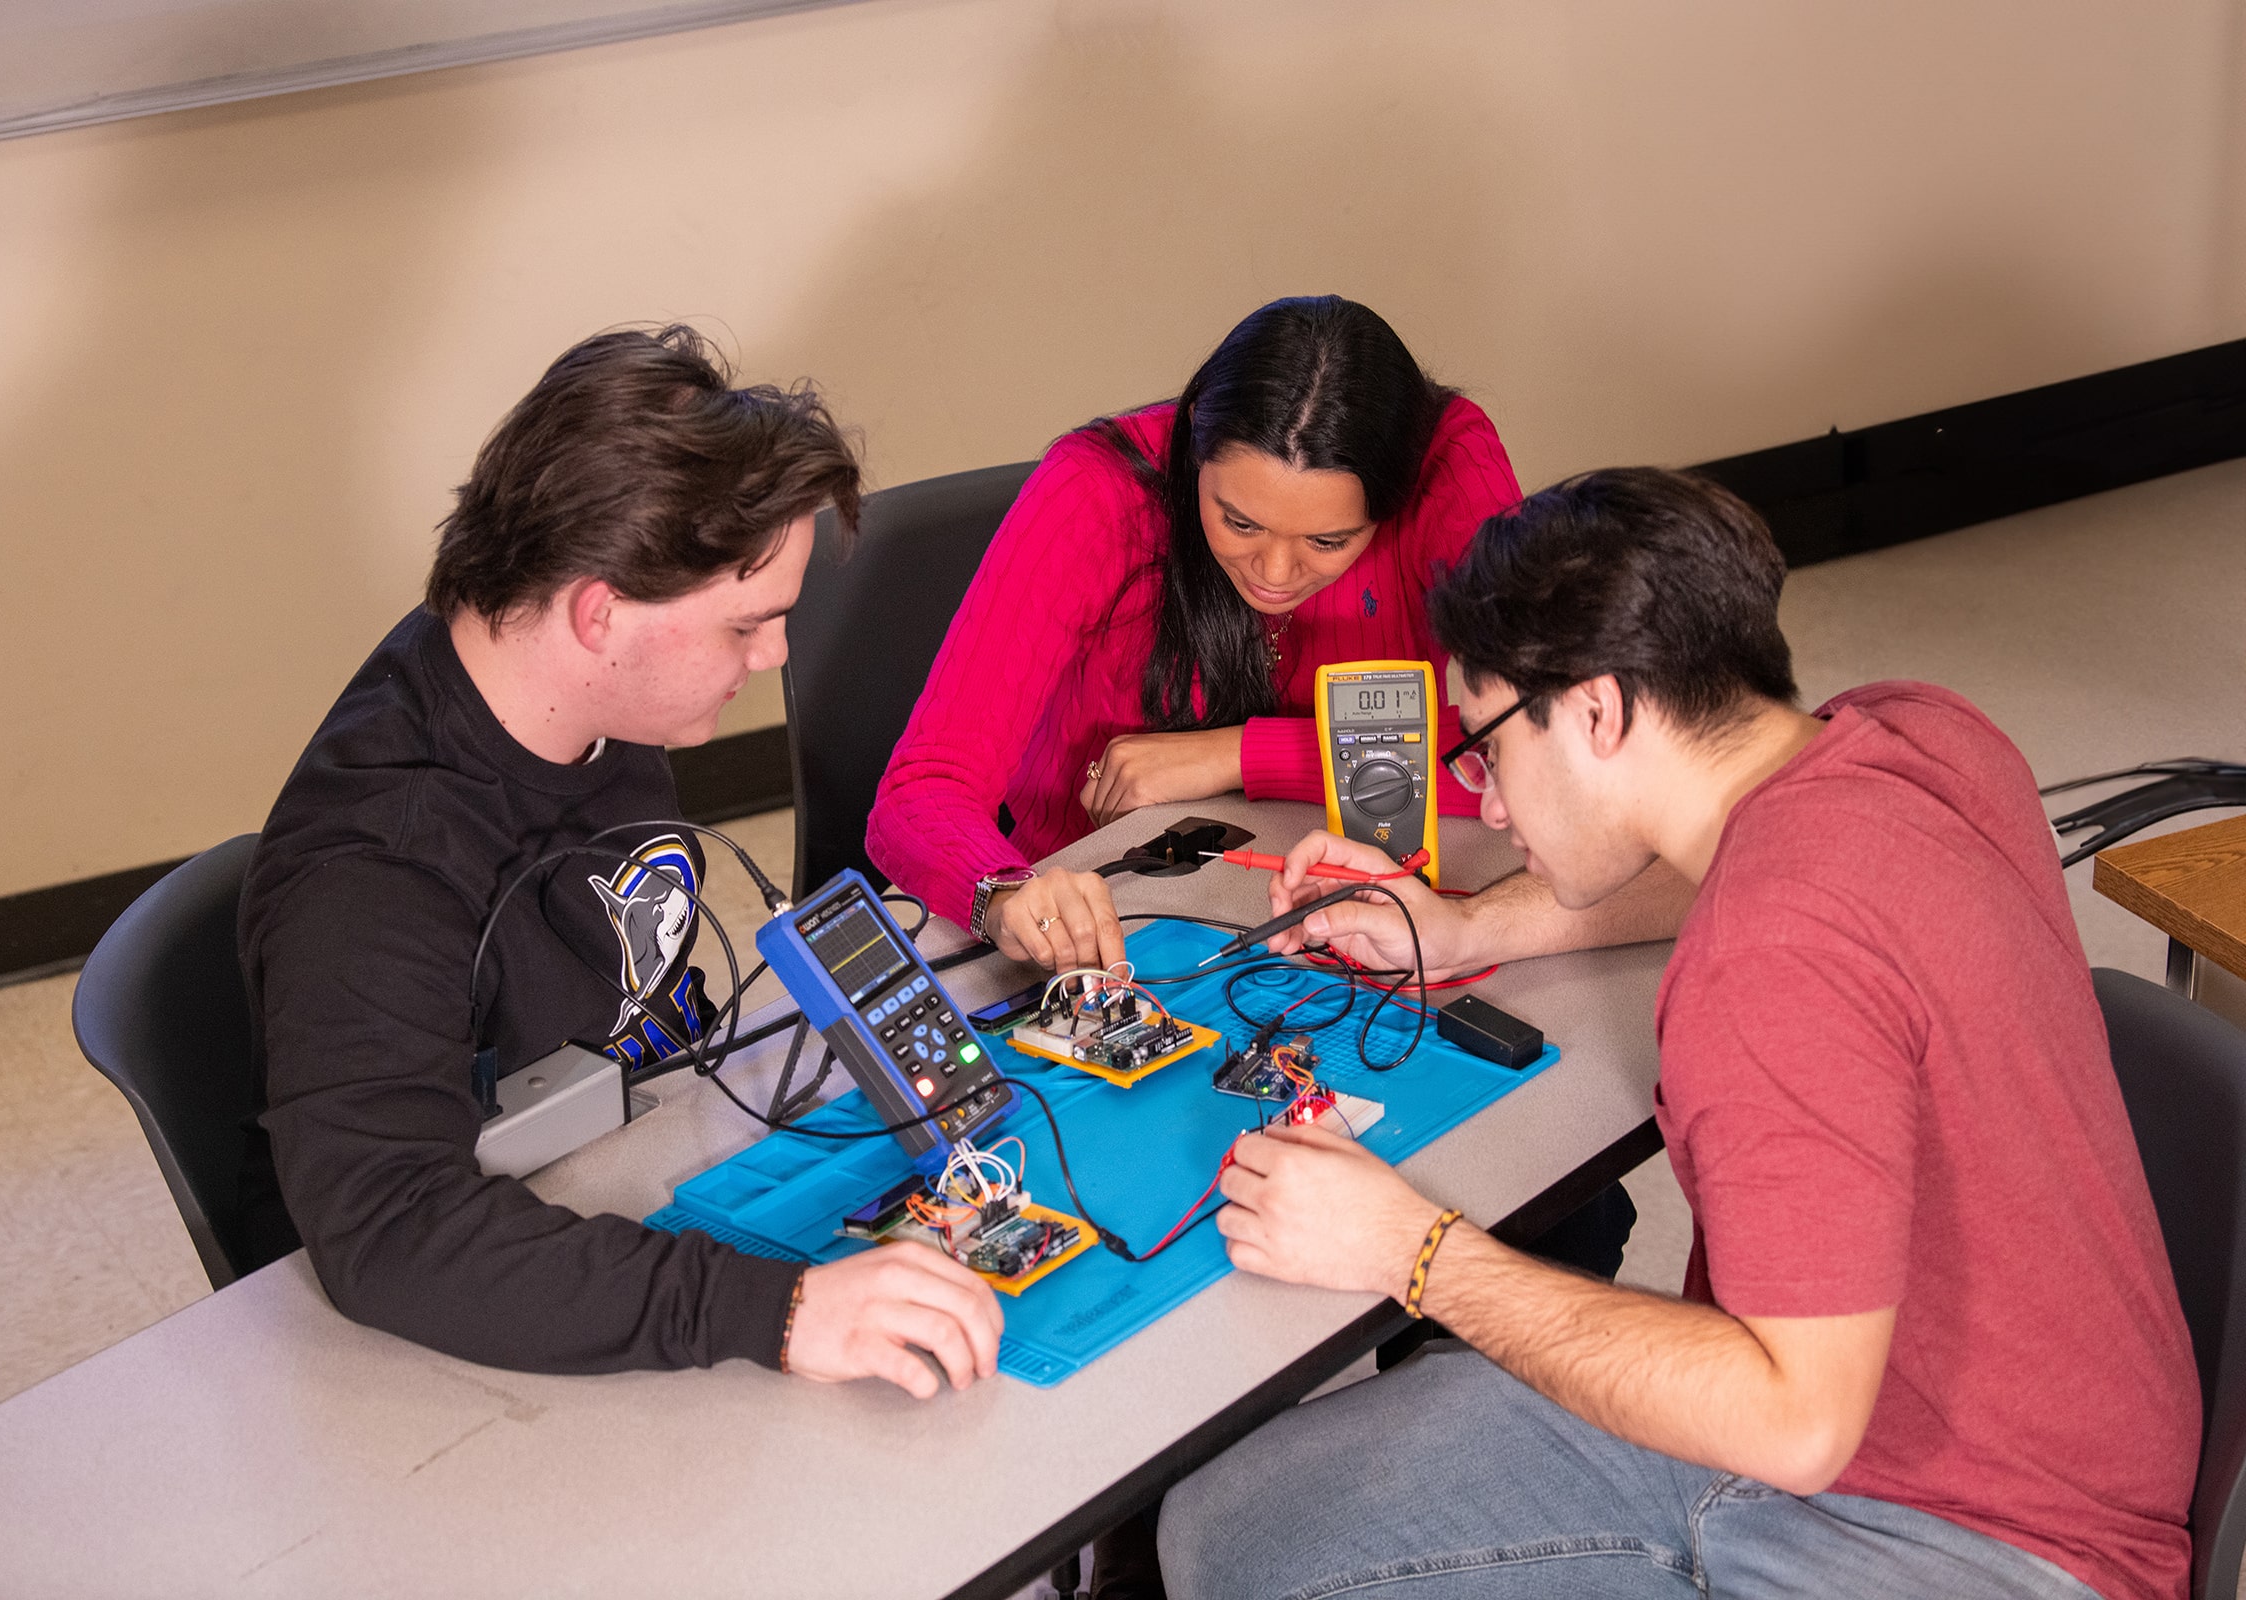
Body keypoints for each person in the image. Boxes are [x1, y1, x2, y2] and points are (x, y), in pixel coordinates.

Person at [1156, 468, 2199, 1599]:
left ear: (1599, 709)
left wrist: (1411, 1249)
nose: (1487, 803)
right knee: (1227, 1518)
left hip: (1968, 1538)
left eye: (1488, 747)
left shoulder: (1763, 964)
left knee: (1247, 1554)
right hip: (2061, 1447)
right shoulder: (1922, 732)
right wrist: (1460, 926)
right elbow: (1712, 859)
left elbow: (1794, 1422)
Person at [236, 327, 1002, 1398]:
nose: (775, 656)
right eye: (747, 626)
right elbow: (393, 1231)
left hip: (642, 1171)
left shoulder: (587, 692)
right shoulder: (376, 870)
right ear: (601, 613)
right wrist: (774, 1309)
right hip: (486, 1337)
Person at [867, 295, 1691, 981]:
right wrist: (1005, 892)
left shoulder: (1449, 462)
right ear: (1194, 453)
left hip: (1343, 905)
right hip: (1113, 917)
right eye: (1238, 520)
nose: (1274, 572)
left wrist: (1242, 754)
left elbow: (1529, 750)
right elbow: (921, 791)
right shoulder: (1093, 493)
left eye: (1330, 543)